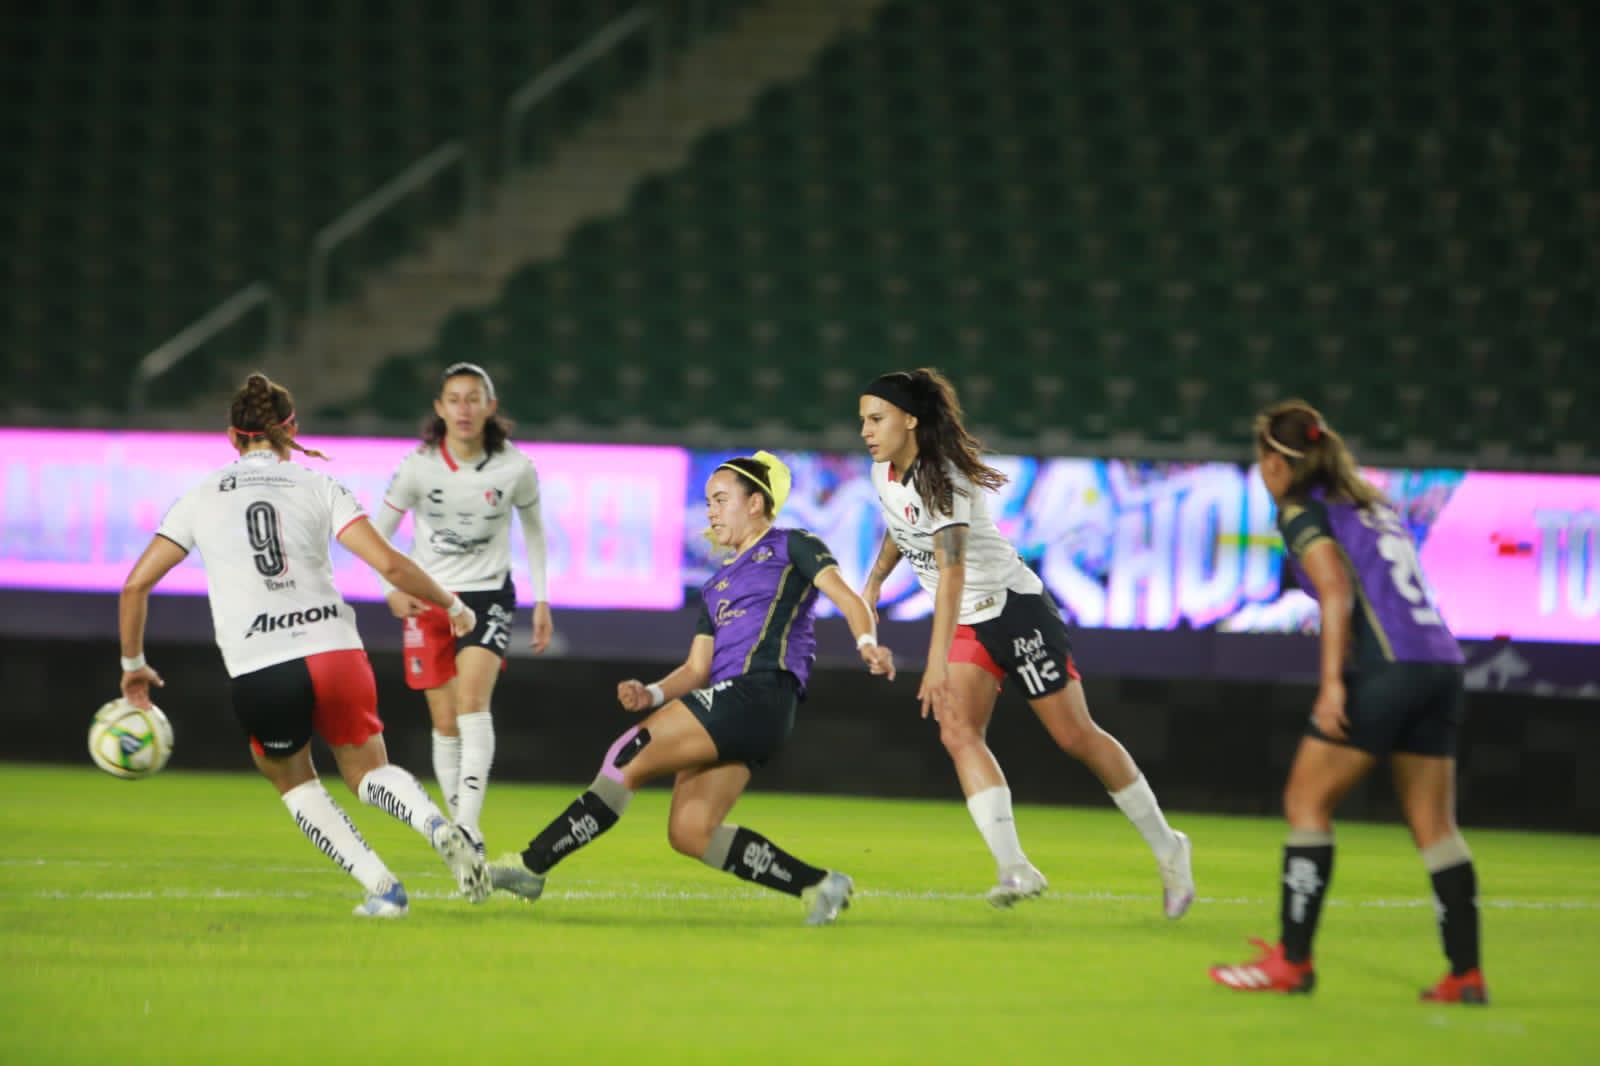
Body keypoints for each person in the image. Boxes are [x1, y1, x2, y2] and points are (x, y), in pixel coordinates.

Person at [117, 372, 490, 918]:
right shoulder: (320, 487)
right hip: (334, 650)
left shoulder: (199, 497)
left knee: (293, 782)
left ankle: (382, 888)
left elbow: (135, 585)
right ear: (291, 432)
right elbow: (389, 563)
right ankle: (434, 824)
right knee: (368, 772)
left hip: (260, 664)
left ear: (231, 437)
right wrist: (452, 605)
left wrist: (134, 666)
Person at [488, 451, 896, 925]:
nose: (711, 511)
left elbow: (848, 598)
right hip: (738, 711)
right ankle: (819, 885)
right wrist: (654, 694)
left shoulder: (792, 545)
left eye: (722, 499)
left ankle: (532, 865)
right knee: (691, 831)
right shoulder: (716, 585)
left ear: (757, 504)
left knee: (629, 752)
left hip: (760, 692)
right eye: (708, 502)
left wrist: (867, 642)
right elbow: (697, 668)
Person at [857, 368, 1194, 913]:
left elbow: (954, 573)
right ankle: (1016, 868)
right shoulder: (884, 474)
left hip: (1014, 611)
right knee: (957, 731)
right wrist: (875, 579)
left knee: (1075, 736)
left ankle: (1169, 848)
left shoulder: (945, 477)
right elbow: (902, 527)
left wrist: (937, 660)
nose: (867, 431)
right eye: (863, 422)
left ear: (910, 420)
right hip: (969, 623)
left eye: (877, 419)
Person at [1209, 401, 1486, 1003]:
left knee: (1306, 800)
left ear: (1276, 463)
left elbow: (1333, 594)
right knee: (1436, 827)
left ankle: (1293, 961)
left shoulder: (1301, 509)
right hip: (1441, 664)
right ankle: (1465, 973)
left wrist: (1333, 684)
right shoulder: (1370, 506)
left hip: (1389, 668)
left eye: (1261, 457)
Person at [372, 362, 553, 854]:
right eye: (454, 399)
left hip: (489, 595)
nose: (464, 408)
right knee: (445, 721)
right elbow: (374, 535)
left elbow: (535, 531)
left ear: (490, 407)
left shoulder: (515, 467)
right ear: (440, 409)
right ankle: (459, 834)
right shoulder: (417, 467)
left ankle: (469, 826)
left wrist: (541, 597)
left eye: (474, 398)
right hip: (429, 597)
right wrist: (388, 589)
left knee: (473, 703)